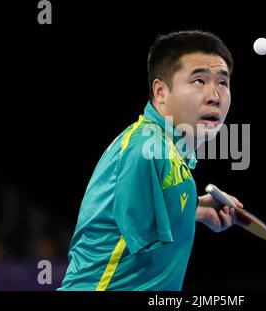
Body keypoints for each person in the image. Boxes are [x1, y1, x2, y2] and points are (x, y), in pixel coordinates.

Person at [58, 30, 243, 291]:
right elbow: (144, 239)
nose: (215, 96)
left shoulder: (166, 148)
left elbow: (135, 215)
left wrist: (196, 209)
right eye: (199, 81)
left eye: (223, 83)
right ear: (160, 92)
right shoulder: (146, 148)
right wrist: (190, 209)